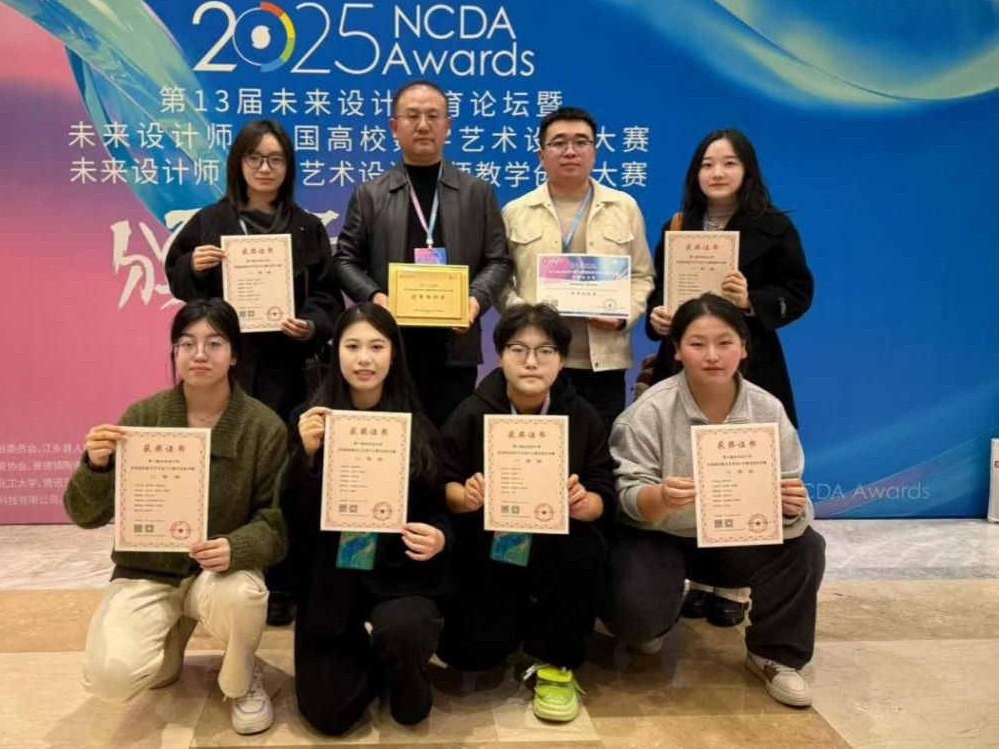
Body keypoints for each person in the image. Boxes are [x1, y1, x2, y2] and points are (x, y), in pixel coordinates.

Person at [64, 299, 288, 735]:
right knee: (112, 679)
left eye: (214, 343)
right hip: (148, 573)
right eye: (187, 343)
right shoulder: (141, 419)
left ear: (235, 355)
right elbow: (84, 514)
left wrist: (237, 547)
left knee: (244, 596)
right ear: (174, 352)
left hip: (219, 574)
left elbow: (276, 524)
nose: (199, 354)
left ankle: (242, 679)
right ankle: (170, 637)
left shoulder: (264, 428)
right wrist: (96, 465)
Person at [602, 294, 825, 708]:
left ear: (744, 347)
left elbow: (792, 489)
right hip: (660, 537)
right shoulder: (648, 413)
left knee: (806, 547)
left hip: (735, 540)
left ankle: (774, 655)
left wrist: (790, 506)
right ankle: (650, 622)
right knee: (638, 621)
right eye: (697, 344)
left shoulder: (768, 409)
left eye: (725, 343)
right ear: (677, 350)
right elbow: (625, 496)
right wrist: (659, 497)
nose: (712, 356)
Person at [165, 120, 342, 626]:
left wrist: (311, 325)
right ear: (238, 163)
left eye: (276, 159)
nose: (265, 168)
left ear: (289, 167)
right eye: (255, 158)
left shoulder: (306, 226)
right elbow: (179, 282)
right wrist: (195, 266)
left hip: (289, 370)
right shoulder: (210, 220)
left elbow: (327, 296)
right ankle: (217, 566)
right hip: (228, 373)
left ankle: (283, 579)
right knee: (226, 466)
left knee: (285, 467)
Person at [645, 128, 814, 627]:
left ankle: (735, 584)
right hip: (685, 363)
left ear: (747, 170)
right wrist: (658, 317)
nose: (717, 173)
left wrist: (751, 302)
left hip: (749, 362)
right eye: (707, 164)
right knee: (689, 465)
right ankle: (701, 579)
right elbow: (658, 291)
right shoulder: (678, 225)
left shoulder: (775, 227)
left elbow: (799, 292)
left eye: (728, 163)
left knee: (742, 467)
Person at [437, 303, 614, 723]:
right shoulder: (473, 411)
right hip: (491, 546)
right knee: (469, 654)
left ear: (561, 359)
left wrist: (587, 503)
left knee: (585, 548)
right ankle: (516, 626)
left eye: (545, 351)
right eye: (518, 349)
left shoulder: (582, 415)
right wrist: (465, 496)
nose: (531, 362)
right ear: (501, 355)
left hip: (558, 547)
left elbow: (603, 487)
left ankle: (557, 661)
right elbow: (443, 480)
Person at [282, 302, 452, 736]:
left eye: (376, 347)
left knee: (406, 630)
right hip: (332, 578)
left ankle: (404, 667)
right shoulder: (308, 420)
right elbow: (293, 519)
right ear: (335, 351)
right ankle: (372, 660)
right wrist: (307, 457)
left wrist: (439, 536)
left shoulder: (418, 426)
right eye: (352, 346)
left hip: (397, 575)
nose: (364, 359)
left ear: (393, 355)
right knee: (328, 714)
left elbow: (438, 510)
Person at [334, 80, 512, 429]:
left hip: (455, 345)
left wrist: (474, 301)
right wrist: (376, 298)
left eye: (433, 116)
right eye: (412, 116)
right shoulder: (370, 194)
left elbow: (499, 260)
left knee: (448, 440)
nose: (423, 125)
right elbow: (344, 260)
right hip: (391, 344)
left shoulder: (477, 193)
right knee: (393, 438)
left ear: (448, 126)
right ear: (394, 127)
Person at [501, 106, 655, 432]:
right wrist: (528, 317)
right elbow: (500, 280)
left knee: (598, 452)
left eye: (581, 142)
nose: (570, 151)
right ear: (542, 155)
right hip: (536, 361)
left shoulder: (624, 207)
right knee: (538, 450)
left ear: (594, 152)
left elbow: (642, 276)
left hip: (603, 363)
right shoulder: (516, 211)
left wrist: (623, 317)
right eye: (559, 143)